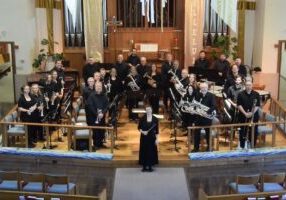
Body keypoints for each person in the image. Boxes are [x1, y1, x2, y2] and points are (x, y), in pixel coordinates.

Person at [192, 82, 216, 152]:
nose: (203, 89)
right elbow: (195, 105)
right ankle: (196, 148)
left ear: (207, 88)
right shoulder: (197, 95)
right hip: (198, 118)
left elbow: (213, 106)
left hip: (207, 118)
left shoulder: (211, 95)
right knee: (196, 134)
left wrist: (206, 112)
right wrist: (194, 110)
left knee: (208, 133)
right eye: (202, 88)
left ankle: (209, 147)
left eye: (205, 87)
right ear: (200, 88)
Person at [237, 80, 260, 149]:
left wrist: (252, 113)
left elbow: (257, 105)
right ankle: (242, 146)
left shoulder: (256, 94)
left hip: (254, 116)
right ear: (245, 86)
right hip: (243, 116)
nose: (248, 86)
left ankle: (252, 146)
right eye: (247, 85)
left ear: (252, 86)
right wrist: (245, 113)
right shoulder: (240, 94)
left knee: (253, 131)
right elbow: (239, 105)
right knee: (242, 131)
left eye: (249, 85)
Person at [86, 82, 109, 149]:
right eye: (97, 86)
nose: (99, 87)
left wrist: (103, 113)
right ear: (95, 87)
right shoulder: (91, 96)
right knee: (96, 131)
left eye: (100, 86)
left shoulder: (104, 95)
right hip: (94, 117)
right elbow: (91, 107)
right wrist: (97, 114)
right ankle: (96, 144)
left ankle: (100, 143)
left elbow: (106, 106)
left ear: (102, 87)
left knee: (102, 130)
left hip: (102, 116)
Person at [138, 106, 159, 172]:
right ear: (145, 111)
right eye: (147, 110)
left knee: (151, 151)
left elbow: (157, 131)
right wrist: (143, 132)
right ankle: (144, 166)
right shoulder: (142, 118)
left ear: (151, 110)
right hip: (144, 137)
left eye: (149, 109)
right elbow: (139, 128)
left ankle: (150, 166)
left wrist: (157, 139)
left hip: (152, 137)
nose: (148, 111)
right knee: (144, 151)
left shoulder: (155, 119)